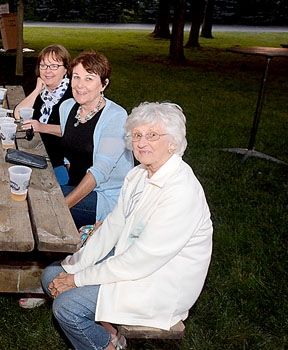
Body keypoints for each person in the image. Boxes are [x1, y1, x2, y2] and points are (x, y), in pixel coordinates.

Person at [41, 102, 214, 350]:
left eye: (152, 135)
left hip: (159, 282)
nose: (142, 143)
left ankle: (106, 346)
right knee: (52, 275)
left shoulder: (181, 191)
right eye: (137, 135)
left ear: (173, 142)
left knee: (68, 307)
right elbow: (112, 227)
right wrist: (75, 267)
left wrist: (78, 280)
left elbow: (140, 260)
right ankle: (112, 336)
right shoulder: (138, 175)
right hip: (131, 259)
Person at [22, 50, 134, 229]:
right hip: (75, 184)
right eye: (76, 77)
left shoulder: (116, 117)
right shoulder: (67, 107)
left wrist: (62, 206)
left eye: (89, 78)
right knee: (27, 190)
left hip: (105, 198)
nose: (80, 85)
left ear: (103, 84)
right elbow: (70, 147)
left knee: (38, 206)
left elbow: (99, 173)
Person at [13, 44, 73, 184]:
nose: (47, 71)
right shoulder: (44, 93)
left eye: (54, 66)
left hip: (60, 162)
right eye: (43, 66)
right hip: (38, 153)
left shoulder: (73, 94)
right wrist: (36, 90)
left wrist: (42, 127)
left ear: (65, 69)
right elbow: (18, 114)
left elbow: (74, 131)